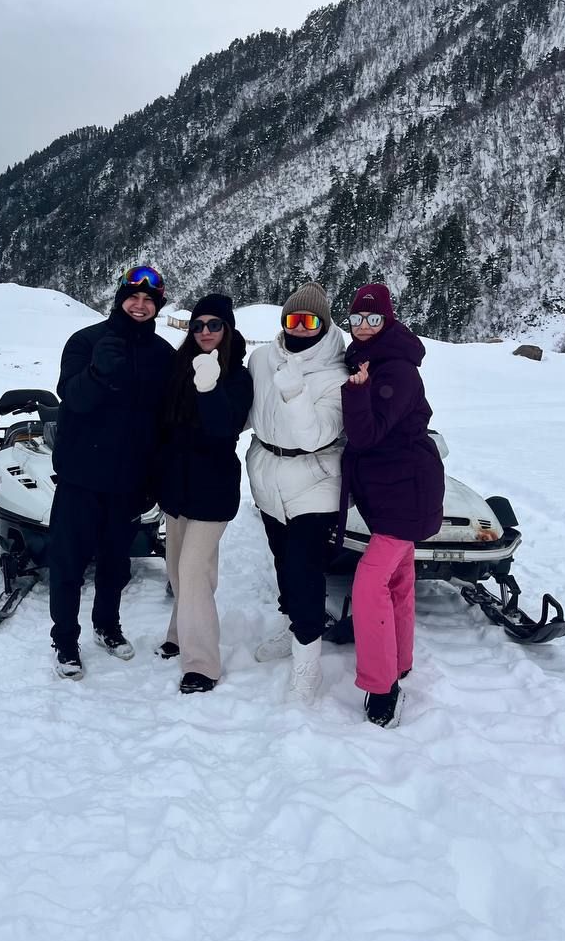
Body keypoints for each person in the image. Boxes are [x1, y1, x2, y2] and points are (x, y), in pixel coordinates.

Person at [49, 265, 175, 679]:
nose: (139, 305)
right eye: (133, 297)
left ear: (157, 306)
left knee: (115, 564)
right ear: (120, 299)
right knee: (69, 565)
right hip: (80, 478)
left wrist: (155, 477)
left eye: (149, 300)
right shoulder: (85, 342)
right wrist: (97, 372)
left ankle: (107, 625)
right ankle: (65, 640)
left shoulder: (163, 356)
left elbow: (163, 423)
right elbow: (73, 399)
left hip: (128, 482)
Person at [339, 283, 444, 728]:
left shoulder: (396, 370)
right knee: (399, 578)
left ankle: (382, 687)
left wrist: (357, 392)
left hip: (406, 493)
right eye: (357, 319)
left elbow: (367, 435)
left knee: (369, 584)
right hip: (394, 490)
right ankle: (400, 660)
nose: (363, 327)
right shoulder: (371, 358)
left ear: (388, 320)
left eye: (373, 319)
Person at [247, 282, 346, 703]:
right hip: (268, 471)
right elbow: (245, 412)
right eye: (292, 319)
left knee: (305, 571)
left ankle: (308, 661)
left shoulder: (337, 375)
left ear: (324, 324)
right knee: (282, 561)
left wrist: (294, 391)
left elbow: (314, 436)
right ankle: (294, 628)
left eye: (309, 321)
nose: (299, 328)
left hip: (314, 477)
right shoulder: (261, 359)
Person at [156, 294, 253, 694]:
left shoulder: (238, 377)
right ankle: (179, 632)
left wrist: (209, 387)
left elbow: (222, 429)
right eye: (198, 325)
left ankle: (202, 663)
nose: (205, 332)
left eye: (214, 325)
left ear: (227, 329)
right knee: (178, 567)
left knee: (194, 570)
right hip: (177, 486)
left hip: (213, 489)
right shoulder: (179, 368)